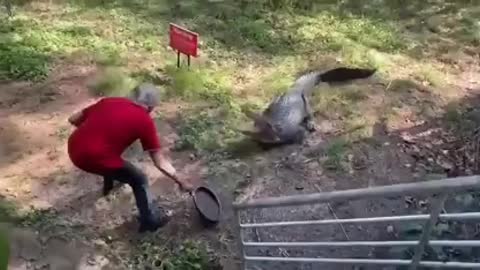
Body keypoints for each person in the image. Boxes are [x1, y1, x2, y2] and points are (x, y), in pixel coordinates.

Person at [67, 83, 193, 233]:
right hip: (92, 158)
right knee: (139, 179)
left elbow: (73, 119)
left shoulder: (110, 101)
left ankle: (109, 186)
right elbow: (159, 161)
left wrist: (93, 133)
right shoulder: (144, 121)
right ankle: (150, 221)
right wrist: (181, 181)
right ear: (151, 107)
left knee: (112, 159)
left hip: (73, 146)